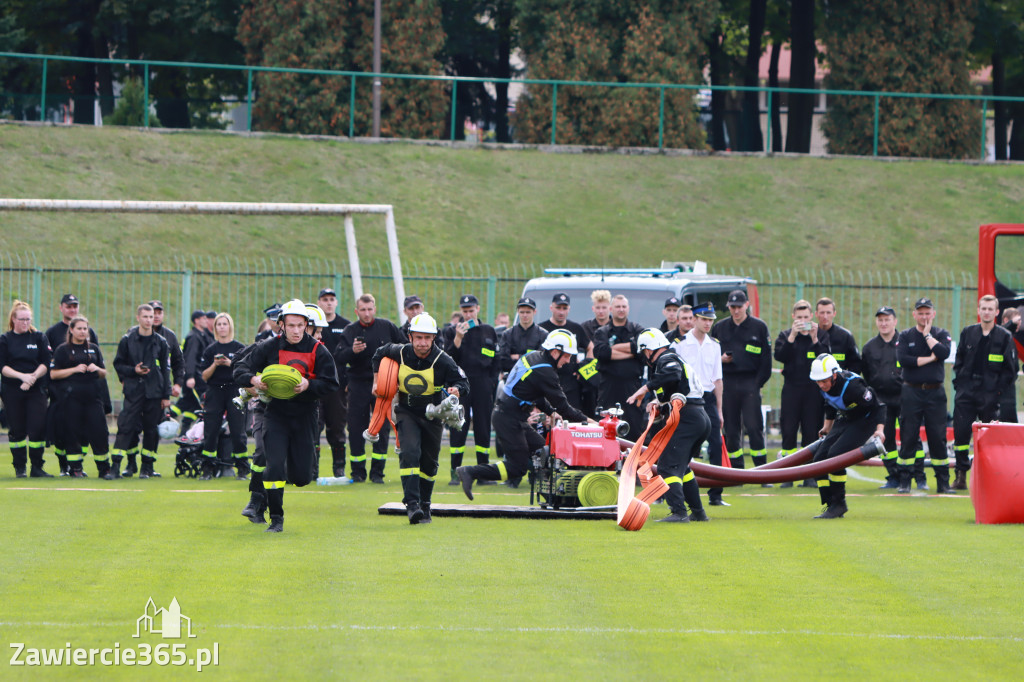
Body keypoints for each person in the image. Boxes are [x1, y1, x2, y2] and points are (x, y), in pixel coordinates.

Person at [234, 300, 339, 533]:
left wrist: (308, 384)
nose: (295, 330)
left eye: (300, 325)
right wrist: (253, 380)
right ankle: (276, 518)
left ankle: (294, 470)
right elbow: (240, 368)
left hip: (305, 414)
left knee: (302, 476)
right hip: (276, 413)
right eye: (290, 325)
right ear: (281, 324)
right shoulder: (269, 346)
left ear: (306, 325)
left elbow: (331, 383)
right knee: (273, 467)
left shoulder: (317, 349)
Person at [456, 329, 591, 496]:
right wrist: (591, 423)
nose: (569, 361)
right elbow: (564, 407)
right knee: (517, 467)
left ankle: (549, 495)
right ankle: (471, 472)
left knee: (544, 452)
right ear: (555, 352)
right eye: (567, 356)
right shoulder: (546, 371)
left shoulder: (535, 357)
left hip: (511, 416)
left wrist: (551, 412)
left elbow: (537, 396)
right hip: (508, 419)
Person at [372, 313, 469, 523]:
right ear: (410, 337)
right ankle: (412, 504)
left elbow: (464, 382)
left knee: (429, 463)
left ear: (433, 338)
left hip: (434, 415)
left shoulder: (443, 360)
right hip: (406, 412)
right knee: (409, 453)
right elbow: (378, 354)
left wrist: (456, 390)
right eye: (418, 337)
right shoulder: (399, 352)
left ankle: (425, 505)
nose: (422, 342)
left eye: (427, 337)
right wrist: (377, 381)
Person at [626, 329, 711, 523]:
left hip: (688, 418)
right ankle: (698, 512)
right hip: (699, 417)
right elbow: (678, 390)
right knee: (682, 468)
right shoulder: (673, 357)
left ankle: (678, 512)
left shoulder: (667, 359)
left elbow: (672, 374)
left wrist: (645, 388)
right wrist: (660, 404)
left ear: (648, 350)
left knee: (667, 467)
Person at [336, 293, 406, 483]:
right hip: (358, 384)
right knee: (356, 426)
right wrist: (353, 351)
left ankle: (377, 474)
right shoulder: (350, 331)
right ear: (356, 311)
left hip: (384, 384)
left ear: (375, 309)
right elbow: (339, 357)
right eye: (363, 310)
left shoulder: (387, 327)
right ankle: (357, 473)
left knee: (382, 428)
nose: (366, 314)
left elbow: (405, 349)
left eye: (369, 309)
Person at [950, 295, 1018, 490]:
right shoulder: (968, 333)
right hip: (966, 394)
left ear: (997, 312)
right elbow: (959, 361)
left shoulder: (1004, 336)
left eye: (990, 309)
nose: (986, 312)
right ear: (978, 310)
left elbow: (1010, 370)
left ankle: (990, 478)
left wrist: (997, 393)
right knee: (961, 436)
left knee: (989, 439)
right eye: (983, 308)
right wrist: (960, 385)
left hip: (990, 395)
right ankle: (960, 476)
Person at [807, 354, 886, 518]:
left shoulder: (853, 387)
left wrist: (880, 430)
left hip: (865, 421)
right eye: (818, 381)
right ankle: (830, 505)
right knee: (818, 461)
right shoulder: (824, 386)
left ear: (834, 375)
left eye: (824, 381)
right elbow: (829, 403)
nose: (821, 385)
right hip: (846, 417)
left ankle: (839, 504)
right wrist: (827, 427)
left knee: (835, 456)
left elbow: (878, 406)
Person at [895, 298, 954, 494]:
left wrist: (928, 336)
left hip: (935, 392)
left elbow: (944, 353)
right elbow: (903, 360)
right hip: (911, 391)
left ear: (933, 314)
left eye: (927, 312)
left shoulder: (941, 333)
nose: (924, 316)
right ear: (914, 315)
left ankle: (943, 483)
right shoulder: (905, 335)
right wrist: (929, 358)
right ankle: (904, 481)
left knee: (937, 437)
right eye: (920, 313)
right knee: (908, 435)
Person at [673, 301, 728, 505]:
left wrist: (720, 410)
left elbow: (718, 379)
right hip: (687, 398)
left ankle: (716, 495)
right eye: (704, 319)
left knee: (716, 443)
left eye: (710, 320)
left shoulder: (714, 345)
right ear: (694, 319)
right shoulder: (679, 343)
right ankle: (676, 492)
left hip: (708, 397)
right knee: (683, 446)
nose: (708, 324)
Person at [711, 289, 772, 471]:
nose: (736, 311)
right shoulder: (720, 327)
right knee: (730, 429)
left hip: (750, 382)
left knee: (754, 427)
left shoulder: (758, 327)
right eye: (732, 307)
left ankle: (761, 469)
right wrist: (721, 360)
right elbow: (711, 355)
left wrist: (757, 383)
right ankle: (736, 470)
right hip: (727, 382)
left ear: (746, 305)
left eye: (739, 307)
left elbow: (766, 359)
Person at [442, 294, 500, 483]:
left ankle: (483, 473)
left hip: (483, 383)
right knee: (459, 426)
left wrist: (491, 382)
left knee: (483, 428)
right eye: (465, 311)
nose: (468, 315)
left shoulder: (488, 331)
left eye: (471, 311)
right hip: (460, 383)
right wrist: (458, 338)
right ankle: (455, 472)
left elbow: (495, 361)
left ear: (478, 309)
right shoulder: (452, 331)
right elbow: (448, 359)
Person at [111, 303, 172, 480]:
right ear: (138, 318)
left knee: (151, 430)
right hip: (134, 391)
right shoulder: (127, 340)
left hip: (155, 391)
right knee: (126, 426)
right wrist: (133, 371)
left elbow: (166, 370)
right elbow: (118, 364)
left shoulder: (161, 342)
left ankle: (147, 467)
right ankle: (116, 465)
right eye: (145, 316)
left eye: (151, 317)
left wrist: (166, 395)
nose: (148, 320)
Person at [773, 299, 829, 488]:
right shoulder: (786, 335)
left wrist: (814, 339)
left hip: (812, 391)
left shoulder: (820, 335)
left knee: (811, 432)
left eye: (806, 317)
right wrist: (792, 336)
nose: (803, 320)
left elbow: (825, 359)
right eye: (799, 317)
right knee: (788, 431)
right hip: (791, 389)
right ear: (793, 317)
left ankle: (809, 474)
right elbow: (780, 356)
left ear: (811, 317)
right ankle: (787, 474)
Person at [44, 293, 100, 475]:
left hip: (84, 392)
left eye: (75, 306)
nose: (72, 309)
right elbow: (49, 363)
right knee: (62, 429)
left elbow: (97, 361)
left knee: (83, 430)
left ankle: (77, 465)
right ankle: (63, 465)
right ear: (61, 308)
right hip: (61, 391)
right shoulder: (52, 333)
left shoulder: (89, 334)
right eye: (68, 306)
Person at [48, 316, 110, 478]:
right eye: (79, 328)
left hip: (93, 397)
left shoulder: (94, 349)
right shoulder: (63, 350)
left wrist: (96, 368)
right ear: (72, 330)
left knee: (100, 431)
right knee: (73, 432)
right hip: (71, 398)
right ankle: (75, 468)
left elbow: (104, 373)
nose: (83, 332)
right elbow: (53, 374)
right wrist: (74, 370)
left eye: (85, 329)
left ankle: (104, 468)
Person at [0, 301, 53, 477]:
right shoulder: (5, 339)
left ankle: (37, 467)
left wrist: (31, 378)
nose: (25, 322)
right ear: (13, 319)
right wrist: (22, 377)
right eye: (22, 319)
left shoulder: (38, 337)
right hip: (13, 389)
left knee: (37, 427)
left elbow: (46, 363)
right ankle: (19, 467)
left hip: (35, 388)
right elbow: (2, 367)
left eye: (28, 319)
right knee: (17, 429)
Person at [198, 313, 248, 480]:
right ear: (215, 328)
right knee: (210, 430)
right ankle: (207, 468)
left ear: (230, 326)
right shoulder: (210, 350)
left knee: (237, 431)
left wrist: (229, 363)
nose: (221, 327)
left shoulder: (239, 348)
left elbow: (245, 372)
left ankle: (242, 468)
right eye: (218, 324)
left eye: (224, 324)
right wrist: (215, 364)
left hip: (234, 390)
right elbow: (204, 376)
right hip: (214, 391)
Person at [861, 306, 905, 489]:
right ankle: (893, 475)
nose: (884, 323)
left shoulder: (905, 342)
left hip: (904, 397)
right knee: (885, 438)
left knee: (910, 436)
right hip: (881, 401)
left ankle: (914, 475)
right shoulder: (869, 347)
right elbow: (866, 375)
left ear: (895, 321)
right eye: (880, 320)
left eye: (887, 319)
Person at [591, 295, 646, 437]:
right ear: (611, 309)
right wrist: (630, 353)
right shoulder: (602, 332)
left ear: (628, 309)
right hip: (608, 387)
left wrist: (614, 349)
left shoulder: (637, 329)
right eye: (617, 306)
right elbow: (602, 353)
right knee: (606, 426)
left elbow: (640, 350)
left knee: (634, 427)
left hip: (632, 386)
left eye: (623, 306)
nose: (621, 309)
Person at [317, 288, 351, 478]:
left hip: (337, 386)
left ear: (336, 302)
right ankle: (311, 467)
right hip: (315, 383)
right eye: (325, 299)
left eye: (331, 299)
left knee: (337, 427)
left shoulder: (345, 326)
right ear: (319, 302)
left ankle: (339, 467)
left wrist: (347, 380)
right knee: (314, 426)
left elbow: (349, 357)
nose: (328, 303)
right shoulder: (313, 324)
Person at [538, 293, 591, 413]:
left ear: (569, 309)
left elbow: (591, 348)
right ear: (551, 307)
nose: (561, 312)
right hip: (549, 382)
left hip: (571, 383)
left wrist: (584, 368)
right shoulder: (541, 329)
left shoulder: (576, 328)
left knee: (572, 417)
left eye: (564, 308)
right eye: (558, 308)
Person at [177, 310, 212, 435]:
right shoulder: (194, 337)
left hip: (199, 377)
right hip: (195, 378)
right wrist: (190, 376)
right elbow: (190, 358)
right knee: (196, 404)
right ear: (196, 320)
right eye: (203, 318)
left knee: (192, 406)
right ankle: (165, 418)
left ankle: (184, 433)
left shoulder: (202, 335)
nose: (205, 320)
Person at [497, 297, 547, 375]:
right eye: (522, 312)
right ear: (518, 312)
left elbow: (543, 361)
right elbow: (503, 362)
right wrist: (531, 357)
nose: (525, 315)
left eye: (528, 312)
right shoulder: (508, 334)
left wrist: (517, 356)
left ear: (534, 312)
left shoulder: (543, 334)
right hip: (513, 378)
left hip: (535, 379)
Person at [816, 298, 862, 374]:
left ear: (834, 313)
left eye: (828, 312)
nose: (825, 316)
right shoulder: (810, 334)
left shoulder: (845, 336)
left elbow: (856, 363)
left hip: (839, 384)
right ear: (816, 314)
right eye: (822, 313)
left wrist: (846, 381)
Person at [998, 307, 1021, 422]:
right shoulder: (1000, 336)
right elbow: (999, 331)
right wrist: (1012, 323)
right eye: (1017, 321)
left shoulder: (1011, 338)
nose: (1019, 324)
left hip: (1009, 390)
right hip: (1000, 391)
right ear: (1007, 320)